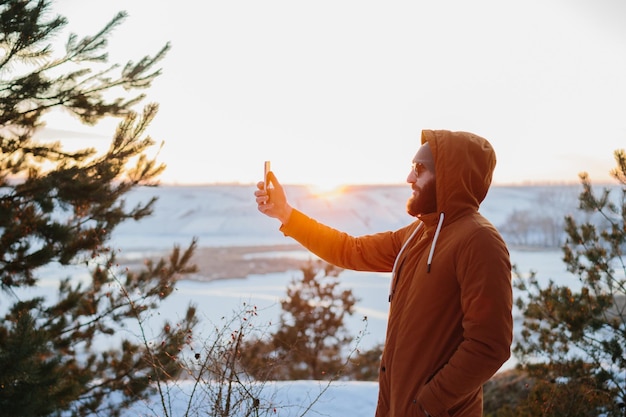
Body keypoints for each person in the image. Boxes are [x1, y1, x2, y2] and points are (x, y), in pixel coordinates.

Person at [254, 130, 513, 417]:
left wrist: (427, 404)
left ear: (451, 176)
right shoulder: (417, 235)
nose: (409, 178)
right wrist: (286, 214)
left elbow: (490, 346)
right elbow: (350, 250)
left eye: (419, 168)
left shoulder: (479, 241)